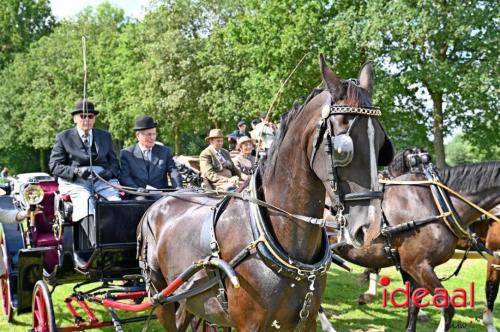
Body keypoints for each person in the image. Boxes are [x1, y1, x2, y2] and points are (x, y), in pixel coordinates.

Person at [48, 99, 121, 246]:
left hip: (102, 179)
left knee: (116, 202)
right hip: (75, 181)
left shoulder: (105, 136)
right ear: (75, 118)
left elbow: (114, 163)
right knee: (85, 200)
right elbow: (54, 166)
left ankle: (118, 242)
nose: (86, 119)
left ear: (94, 119)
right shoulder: (63, 137)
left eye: (90, 116)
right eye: (82, 116)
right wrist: (76, 171)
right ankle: (94, 245)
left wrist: (108, 173)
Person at [120, 115, 182, 198]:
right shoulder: (127, 153)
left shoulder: (165, 151)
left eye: (154, 134)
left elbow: (173, 171)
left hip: (160, 194)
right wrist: (137, 190)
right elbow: (125, 177)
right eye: (149, 134)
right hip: (138, 195)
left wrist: (178, 188)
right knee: (141, 200)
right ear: (138, 136)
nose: (152, 137)